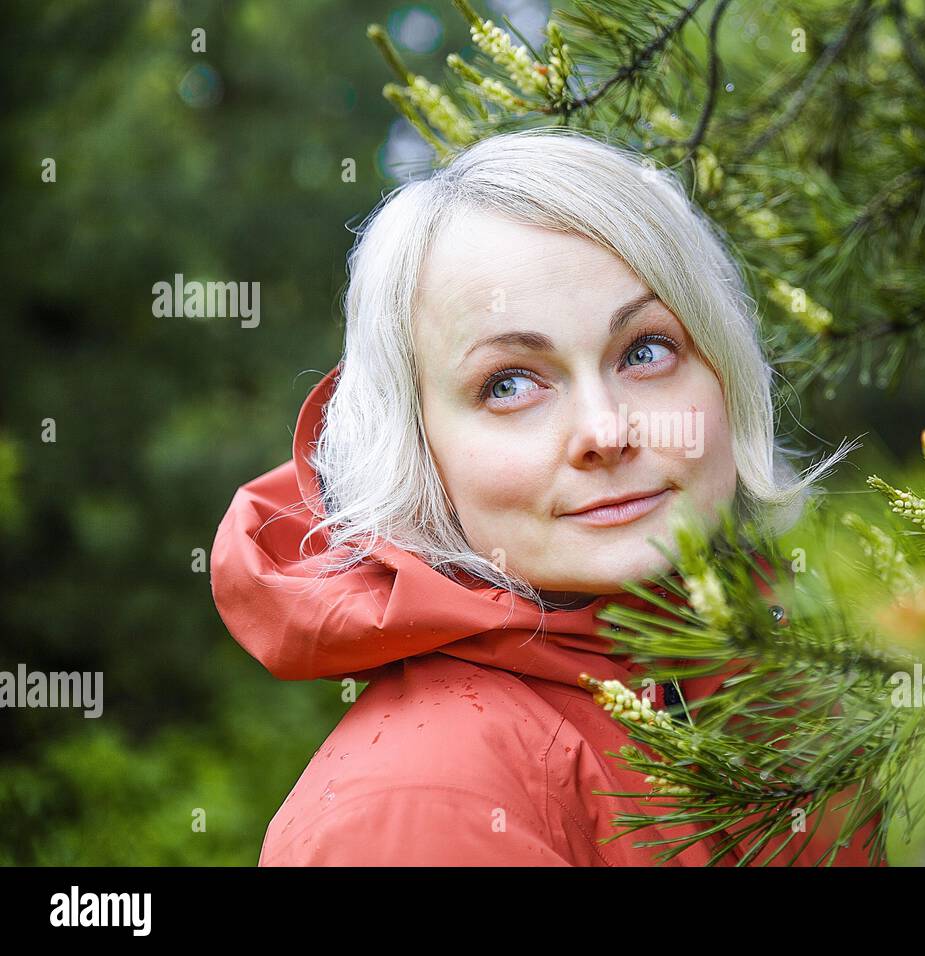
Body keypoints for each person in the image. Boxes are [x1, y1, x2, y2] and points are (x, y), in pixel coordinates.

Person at [211, 127, 884, 866]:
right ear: (419, 448)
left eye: (646, 350)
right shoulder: (417, 811)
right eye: (509, 384)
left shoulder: (783, 688)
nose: (605, 431)